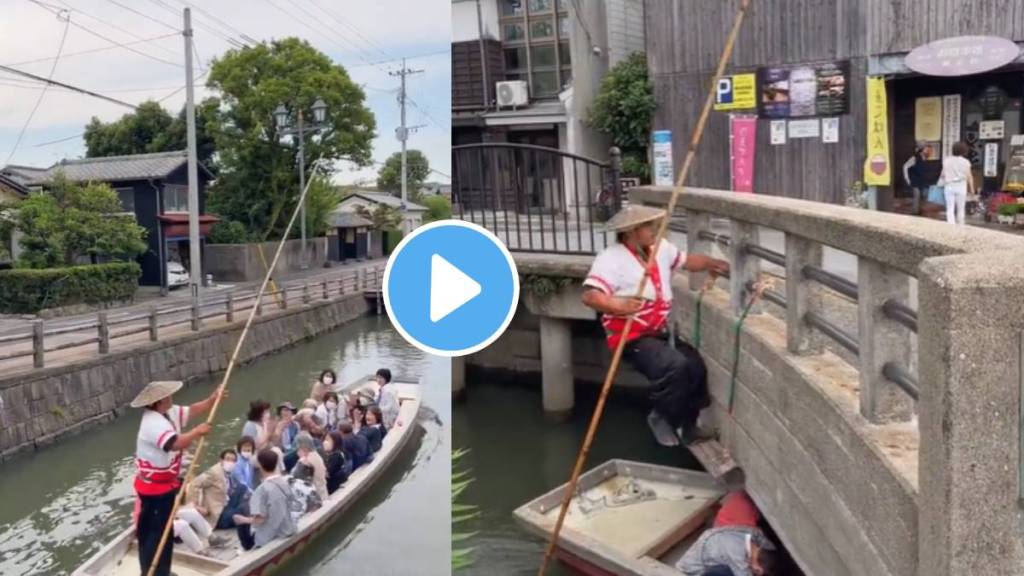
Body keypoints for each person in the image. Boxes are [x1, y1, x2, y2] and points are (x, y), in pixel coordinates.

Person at [581, 205, 728, 445]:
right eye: (648, 227)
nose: (655, 230)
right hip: (631, 337)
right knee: (674, 366)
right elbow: (590, 296)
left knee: (695, 367)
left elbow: (688, 261)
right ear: (630, 232)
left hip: (658, 332)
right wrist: (618, 306)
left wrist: (714, 263)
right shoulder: (610, 259)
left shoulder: (660, 249)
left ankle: (688, 426)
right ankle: (661, 415)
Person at [131, 380, 224, 576]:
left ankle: (163, 569)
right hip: (153, 488)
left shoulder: (169, 412)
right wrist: (197, 432)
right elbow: (174, 444)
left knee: (165, 530)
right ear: (158, 401)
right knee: (153, 534)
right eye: (167, 396)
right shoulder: (151, 422)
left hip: (165, 485)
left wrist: (211, 400)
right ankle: (153, 572)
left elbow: (190, 411)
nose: (171, 398)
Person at [676, 491, 778, 576]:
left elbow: (768, 545)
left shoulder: (753, 539)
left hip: (718, 546)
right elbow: (742, 573)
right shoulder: (737, 550)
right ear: (757, 568)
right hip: (693, 570)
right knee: (724, 572)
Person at [232, 449, 298, 551]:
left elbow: (260, 520)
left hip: (272, 534)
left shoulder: (261, 490)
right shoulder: (284, 482)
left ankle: (246, 547)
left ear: (260, 466)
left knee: (241, 511)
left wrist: (242, 520)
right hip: (289, 527)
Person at [187, 449, 238, 529]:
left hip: (226, 505)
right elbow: (195, 484)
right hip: (215, 512)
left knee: (245, 505)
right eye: (228, 459)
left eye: (233, 460)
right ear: (221, 460)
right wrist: (195, 505)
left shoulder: (228, 474)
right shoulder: (214, 472)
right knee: (240, 514)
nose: (230, 462)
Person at [940, 141, 975, 225]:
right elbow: (969, 176)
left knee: (950, 208)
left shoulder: (946, 161)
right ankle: (961, 225)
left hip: (949, 186)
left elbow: (943, 174)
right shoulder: (966, 162)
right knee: (961, 208)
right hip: (961, 186)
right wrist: (972, 189)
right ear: (963, 151)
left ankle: (951, 226)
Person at [290, 432, 328, 501]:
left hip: (315, 501)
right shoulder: (317, 455)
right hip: (323, 495)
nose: (297, 451)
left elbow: (295, 481)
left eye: (298, 448)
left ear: (303, 447)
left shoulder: (305, 461)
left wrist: (300, 463)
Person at [902, 141, 937, 215]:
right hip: (915, 181)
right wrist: (907, 178)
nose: (928, 150)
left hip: (924, 181)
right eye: (926, 148)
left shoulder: (926, 157)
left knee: (925, 195)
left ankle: (922, 211)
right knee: (917, 196)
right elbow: (905, 166)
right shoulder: (914, 158)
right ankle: (915, 212)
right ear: (922, 149)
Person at [322, 430, 349, 495]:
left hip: (333, 486)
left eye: (328, 440)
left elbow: (328, 473)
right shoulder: (335, 453)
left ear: (335, 441)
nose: (325, 442)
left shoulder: (336, 455)